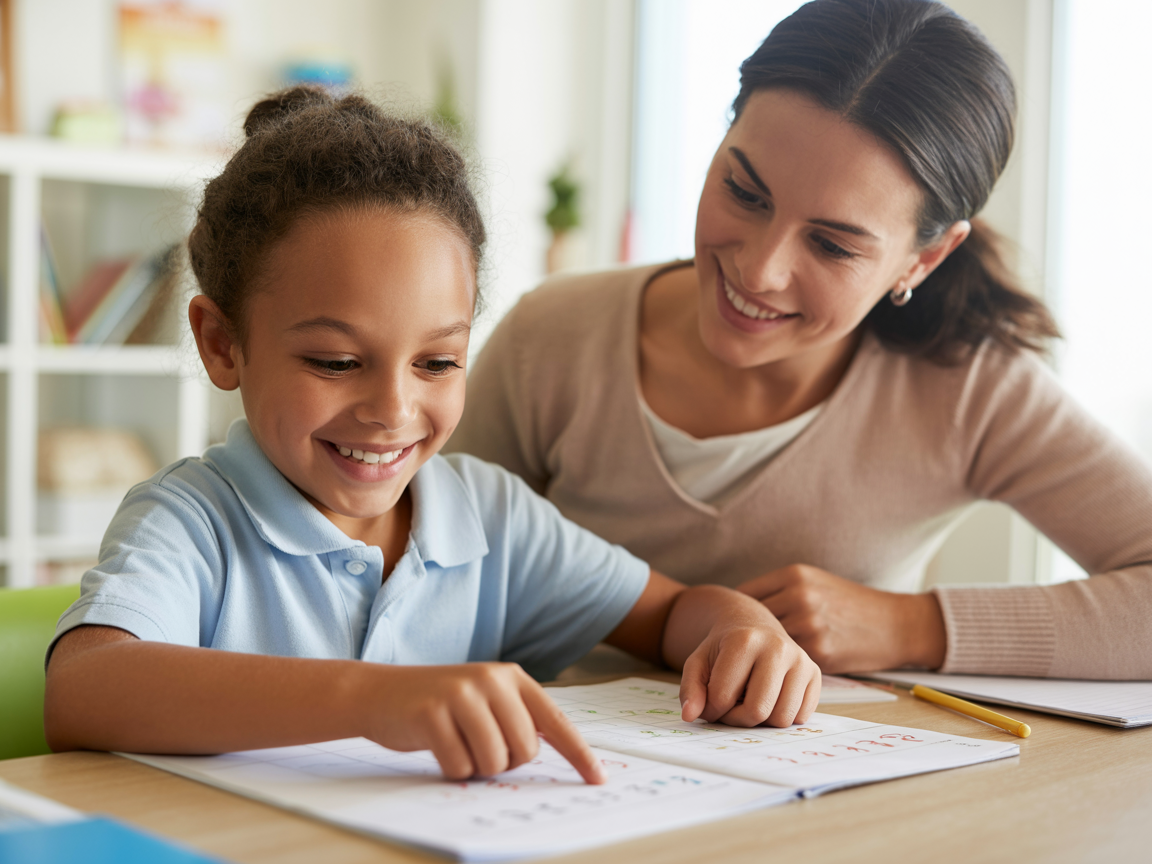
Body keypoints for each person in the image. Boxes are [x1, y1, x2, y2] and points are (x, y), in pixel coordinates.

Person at [42, 87, 821, 783]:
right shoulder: (193, 519)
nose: (392, 407)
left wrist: (738, 627)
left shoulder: (491, 519)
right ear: (222, 344)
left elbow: (669, 613)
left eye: (437, 361)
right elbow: (85, 688)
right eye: (336, 360)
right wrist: (371, 698)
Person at [450, 0, 1152, 680]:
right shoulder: (552, 337)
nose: (759, 269)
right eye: (745, 193)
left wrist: (906, 626)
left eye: (832, 245)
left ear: (923, 260)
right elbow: (411, 559)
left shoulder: (971, 390)